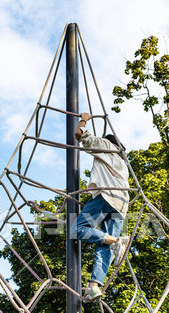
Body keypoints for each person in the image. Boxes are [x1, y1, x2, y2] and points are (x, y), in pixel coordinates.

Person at [70, 112, 130, 301]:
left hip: (106, 196)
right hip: (121, 203)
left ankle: (118, 241)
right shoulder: (122, 161)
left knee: (77, 229)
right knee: (104, 243)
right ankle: (94, 286)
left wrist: (84, 120)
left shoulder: (106, 146)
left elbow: (79, 135)